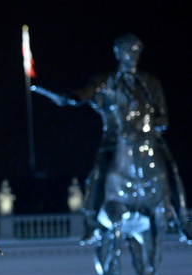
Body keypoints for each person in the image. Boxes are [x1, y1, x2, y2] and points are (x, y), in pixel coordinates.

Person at [32, 33, 191, 243]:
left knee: (171, 169)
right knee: (97, 174)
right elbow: (84, 94)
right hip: (115, 142)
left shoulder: (151, 83)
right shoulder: (105, 82)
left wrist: (146, 127)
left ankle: (182, 220)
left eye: (136, 51)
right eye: (128, 50)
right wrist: (69, 98)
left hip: (147, 142)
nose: (132, 55)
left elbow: (163, 118)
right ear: (118, 54)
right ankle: (92, 221)